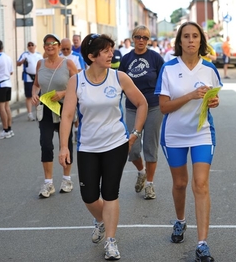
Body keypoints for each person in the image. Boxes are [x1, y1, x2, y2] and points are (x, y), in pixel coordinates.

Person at [58, 33, 147, 260]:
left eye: (111, 50)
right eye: (106, 51)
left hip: (116, 144)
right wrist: (64, 147)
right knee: (88, 196)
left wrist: (135, 134)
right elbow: (67, 115)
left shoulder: (119, 77)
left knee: (110, 194)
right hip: (87, 146)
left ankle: (110, 240)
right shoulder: (76, 81)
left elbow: (142, 103)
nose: (111, 54)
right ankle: (100, 220)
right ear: (91, 56)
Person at [154, 21, 222, 262]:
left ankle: (202, 243)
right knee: (180, 183)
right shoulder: (169, 69)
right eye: (186, 36)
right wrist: (191, 95)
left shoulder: (210, 69)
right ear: (179, 41)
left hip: (202, 132)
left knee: (201, 184)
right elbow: (163, 107)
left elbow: (214, 100)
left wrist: (213, 102)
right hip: (174, 134)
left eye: (195, 36)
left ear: (201, 41)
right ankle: (180, 222)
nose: (191, 40)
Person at [118, 25, 164, 200]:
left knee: (150, 147)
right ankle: (141, 171)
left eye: (145, 38)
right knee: (131, 147)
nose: (141, 41)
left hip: (153, 106)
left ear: (149, 40)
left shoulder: (155, 58)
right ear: (133, 38)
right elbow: (119, 81)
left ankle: (150, 185)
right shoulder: (126, 59)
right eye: (138, 37)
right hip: (132, 108)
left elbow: (164, 79)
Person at [31, 33, 78, 198]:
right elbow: (36, 85)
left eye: (53, 43)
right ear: (44, 47)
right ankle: (48, 183)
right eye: (47, 44)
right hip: (46, 108)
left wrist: (63, 92)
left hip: (64, 108)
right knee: (45, 143)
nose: (50, 46)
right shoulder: (40, 64)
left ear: (58, 46)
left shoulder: (68, 64)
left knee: (65, 144)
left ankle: (66, 179)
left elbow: (79, 84)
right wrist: (34, 94)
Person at [17, 41, 43, 121]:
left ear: (35, 46)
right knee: (29, 96)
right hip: (28, 76)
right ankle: (29, 113)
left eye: (32, 45)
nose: (31, 46)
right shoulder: (25, 54)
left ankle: (38, 113)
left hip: (37, 76)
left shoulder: (39, 55)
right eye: (29, 45)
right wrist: (22, 62)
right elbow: (18, 63)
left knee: (38, 95)